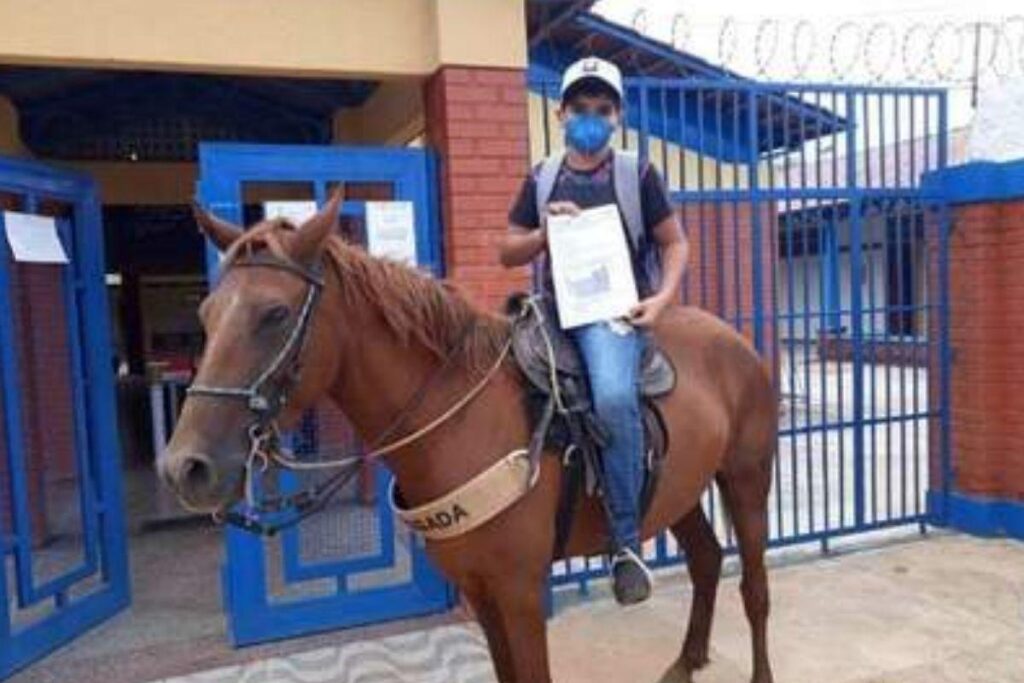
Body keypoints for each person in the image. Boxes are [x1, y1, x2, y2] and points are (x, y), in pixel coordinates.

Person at [500, 56, 688, 605]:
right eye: (580, 108)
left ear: (618, 116)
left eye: (601, 109)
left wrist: (660, 301)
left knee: (610, 397)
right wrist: (541, 235)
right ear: (560, 114)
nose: (590, 117)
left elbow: (675, 243)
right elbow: (506, 249)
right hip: (553, 313)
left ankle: (625, 543)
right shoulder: (542, 177)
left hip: (614, 317)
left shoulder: (637, 175)